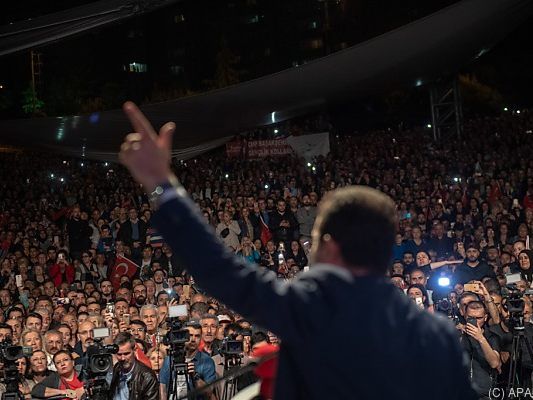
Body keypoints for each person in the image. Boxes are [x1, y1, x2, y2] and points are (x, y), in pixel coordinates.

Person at [118, 101, 477, 399]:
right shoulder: (439, 336)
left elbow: (220, 269)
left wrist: (161, 185)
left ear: (328, 244)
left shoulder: (311, 306)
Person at [109, 332, 159, 400]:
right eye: (119, 354)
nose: (123, 358)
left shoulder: (147, 376)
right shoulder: (115, 369)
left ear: (135, 350)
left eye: (126, 354)